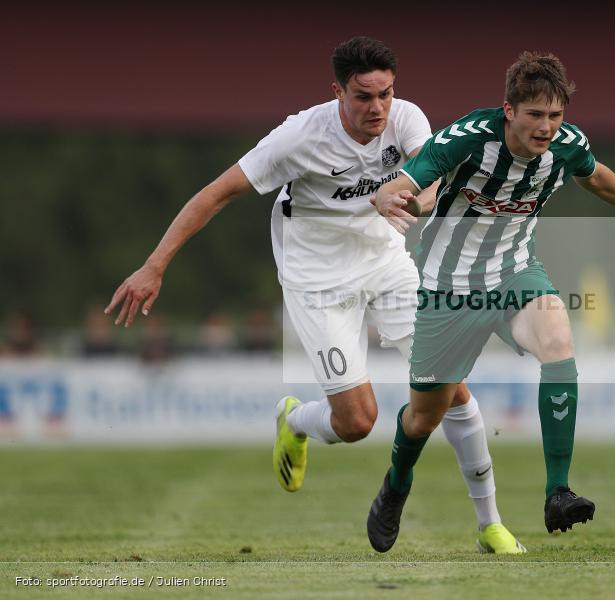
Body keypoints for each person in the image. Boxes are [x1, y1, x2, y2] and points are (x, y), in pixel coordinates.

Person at [105, 37, 524, 553]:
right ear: (338, 93)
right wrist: (155, 264)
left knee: (450, 386)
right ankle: (295, 420)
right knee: (356, 423)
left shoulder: (407, 118)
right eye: (364, 97)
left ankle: (490, 524)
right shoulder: (299, 137)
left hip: (385, 260)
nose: (377, 108)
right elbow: (216, 194)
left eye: (385, 94)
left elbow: (433, 181)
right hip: (317, 276)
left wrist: (414, 203)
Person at [367, 51, 615, 552]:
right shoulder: (469, 137)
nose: (546, 127)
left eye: (555, 115)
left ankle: (557, 492)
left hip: (516, 273)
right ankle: (396, 483)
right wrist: (393, 194)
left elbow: (596, 175)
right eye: (536, 115)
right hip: (448, 286)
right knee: (423, 417)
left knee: (559, 340)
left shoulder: (566, 145)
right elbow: (416, 173)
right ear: (509, 110)